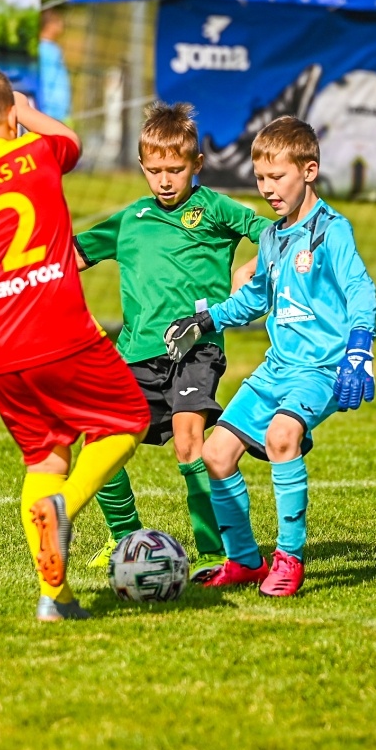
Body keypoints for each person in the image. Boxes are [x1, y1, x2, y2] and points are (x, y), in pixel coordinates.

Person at [0, 63, 149, 623]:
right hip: (62, 330)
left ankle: (57, 597)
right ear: (9, 116)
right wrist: (28, 111)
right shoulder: (39, 155)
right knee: (127, 421)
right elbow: (70, 138)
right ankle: (64, 507)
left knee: (46, 454)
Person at [163, 116, 376, 598]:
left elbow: (360, 289)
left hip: (320, 369)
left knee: (283, 437)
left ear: (309, 170)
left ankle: (290, 558)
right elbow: (254, 297)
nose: (268, 189)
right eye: (260, 179)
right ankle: (243, 561)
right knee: (216, 454)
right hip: (275, 369)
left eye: (277, 177)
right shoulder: (272, 237)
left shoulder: (331, 231)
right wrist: (206, 320)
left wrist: (359, 346)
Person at [73, 102, 267, 580]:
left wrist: (252, 267)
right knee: (100, 439)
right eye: (155, 170)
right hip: (136, 353)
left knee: (189, 441)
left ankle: (210, 550)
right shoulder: (131, 218)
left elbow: (274, 232)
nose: (164, 180)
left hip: (195, 347)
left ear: (196, 165)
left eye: (175, 170)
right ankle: (124, 540)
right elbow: (72, 256)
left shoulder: (215, 208)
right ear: (141, 166)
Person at [37, 9, 71, 124]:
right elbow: (47, 79)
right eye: (58, 22)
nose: (62, 25)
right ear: (49, 25)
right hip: (49, 112)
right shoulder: (44, 49)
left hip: (58, 113)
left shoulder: (53, 49)